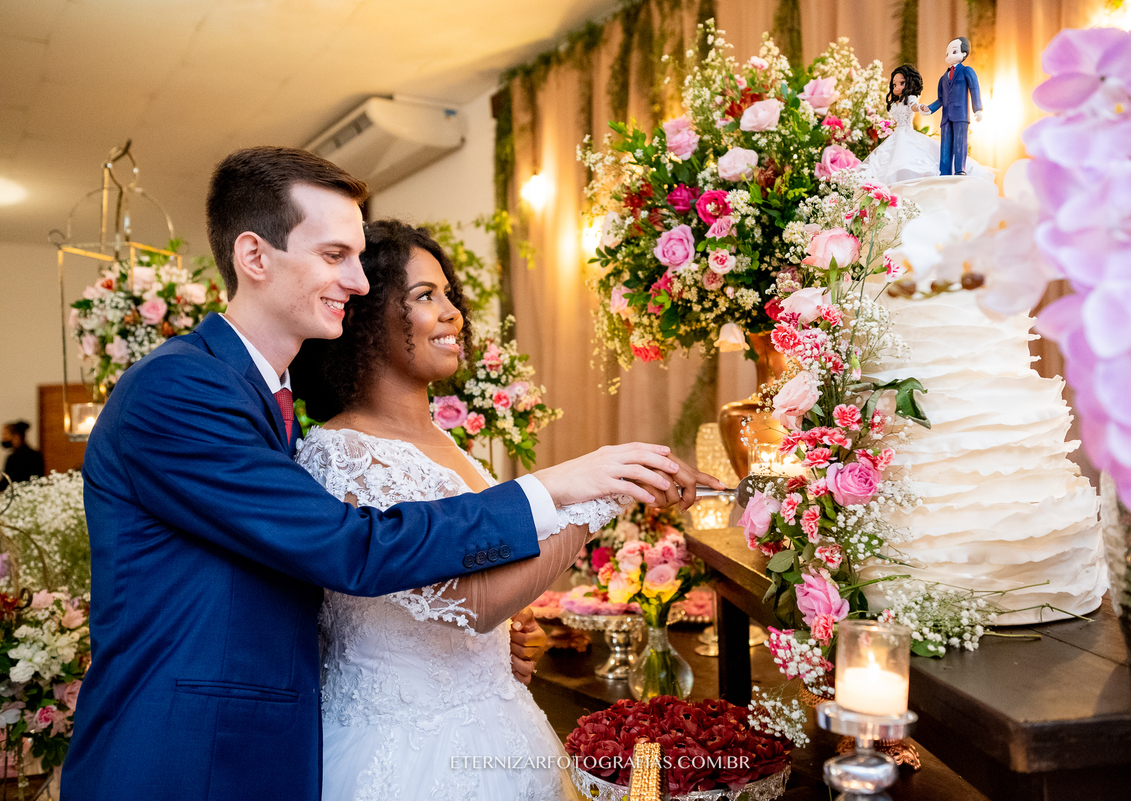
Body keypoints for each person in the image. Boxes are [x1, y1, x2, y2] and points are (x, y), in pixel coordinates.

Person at [61, 146, 720, 801]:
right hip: (183, 758)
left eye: (357, 256)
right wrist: (560, 488)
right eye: (334, 255)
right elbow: (352, 549)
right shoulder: (181, 389)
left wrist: (477, 649)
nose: (358, 281)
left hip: (267, 747)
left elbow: (301, 584)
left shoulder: (267, 402)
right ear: (254, 257)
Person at [293, 219, 630, 799]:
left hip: (502, 727)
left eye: (449, 294)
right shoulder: (340, 454)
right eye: (426, 296)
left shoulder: (453, 447)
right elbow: (471, 603)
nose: (454, 313)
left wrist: (511, 642)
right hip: (405, 756)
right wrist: (600, 496)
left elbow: (483, 597)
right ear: (366, 317)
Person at [859, 63, 993, 185]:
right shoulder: (895, 102)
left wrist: (920, 107)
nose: (897, 87)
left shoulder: (910, 98)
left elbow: (913, 106)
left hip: (906, 134)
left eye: (901, 83)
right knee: (887, 163)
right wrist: (884, 126)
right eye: (894, 85)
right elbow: (894, 119)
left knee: (908, 160)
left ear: (909, 83)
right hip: (895, 136)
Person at [920, 37, 984, 176]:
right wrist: (929, 109)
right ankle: (944, 172)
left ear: (964, 54)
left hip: (960, 115)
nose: (949, 56)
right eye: (947, 53)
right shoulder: (943, 78)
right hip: (946, 117)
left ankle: (960, 170)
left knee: (960, 143)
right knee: (945, 146)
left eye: (954, 52)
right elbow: (941, 99)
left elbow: (974, 88)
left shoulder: (967, 71)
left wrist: (977, 109)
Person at [1, 421, 43, 489]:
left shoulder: (13, 458)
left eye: (5, 434)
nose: (3, 438)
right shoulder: (36, 455)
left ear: (16, 436)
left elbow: (6, 483)